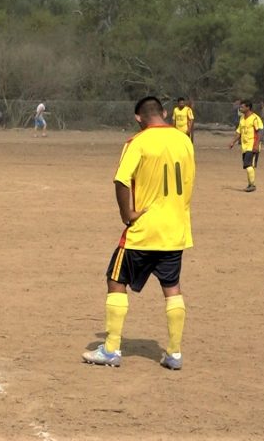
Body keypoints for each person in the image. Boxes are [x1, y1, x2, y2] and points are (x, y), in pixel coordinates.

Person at [82, 96, 195, 371]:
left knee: (115, 279)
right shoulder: (184, 141)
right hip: (175, 229)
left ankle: (111, 349)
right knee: (172, 287)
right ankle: (174, 353)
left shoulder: (137, 142)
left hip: (144, 228)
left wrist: (127, 214)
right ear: (165, 113)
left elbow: (121, 179)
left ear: (137, 118)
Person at [229, 99, 263, 192]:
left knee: (248, 165)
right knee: (248, 166)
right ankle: (250, 184)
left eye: (242, 107)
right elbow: (238, 132)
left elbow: (260, 132)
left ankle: (252, 185)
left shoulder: (255, 118)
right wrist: (233, 142)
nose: (240, 108)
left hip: (252, 145)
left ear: (248, 107)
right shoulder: (242, 118)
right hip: (245, 146)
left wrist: (256, 145)